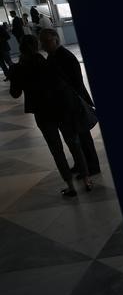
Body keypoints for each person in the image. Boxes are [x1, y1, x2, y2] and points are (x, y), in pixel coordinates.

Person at [9, 34, 93, 196]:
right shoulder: (48, 62)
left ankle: (70, 186)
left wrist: (16, 75)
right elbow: (64, 83)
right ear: (37, 46)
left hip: (42, 114)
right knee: (74, 144)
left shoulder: (19, 68)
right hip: (61, 110)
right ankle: (86, 180)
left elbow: (15, 93)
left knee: (56, 150)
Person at [39, 28, 101, 177]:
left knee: (83, 137)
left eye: (47, 41)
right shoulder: (53, 56)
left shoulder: (65, 57)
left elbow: (76, 83)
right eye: (43, 42)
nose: (44, 45)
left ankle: (92, 166)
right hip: (67, 104)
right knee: (75, 137)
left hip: (74, 104)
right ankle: (81, 164)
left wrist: (76, 103)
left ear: (56, 40)